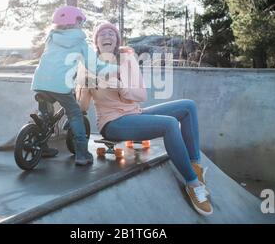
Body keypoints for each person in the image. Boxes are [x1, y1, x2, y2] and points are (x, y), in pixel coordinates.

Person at [76, 22, 213, 215]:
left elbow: (141, 96)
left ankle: (195, 167)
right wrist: (82, 84)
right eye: (102, 34)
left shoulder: (126, 58)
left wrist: (123, 88)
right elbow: (82, 106)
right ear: (96, 41)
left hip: (134, 113)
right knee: (170, 124)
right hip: (112, 123)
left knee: (188, 107)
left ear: (117, 40)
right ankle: (193, 184)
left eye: (111, 34)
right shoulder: (88, 64)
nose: (107, 36)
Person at [32, 7, 117, 165]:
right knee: (75, 115)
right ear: (76, 22)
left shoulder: (51, 37)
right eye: (81, 22)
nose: (82, 26)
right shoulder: (80, 41)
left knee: (45, 115)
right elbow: (95, 67)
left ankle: (41, 145)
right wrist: (116, 69)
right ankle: (82, 154)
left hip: (39, 82)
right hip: (60, 85)